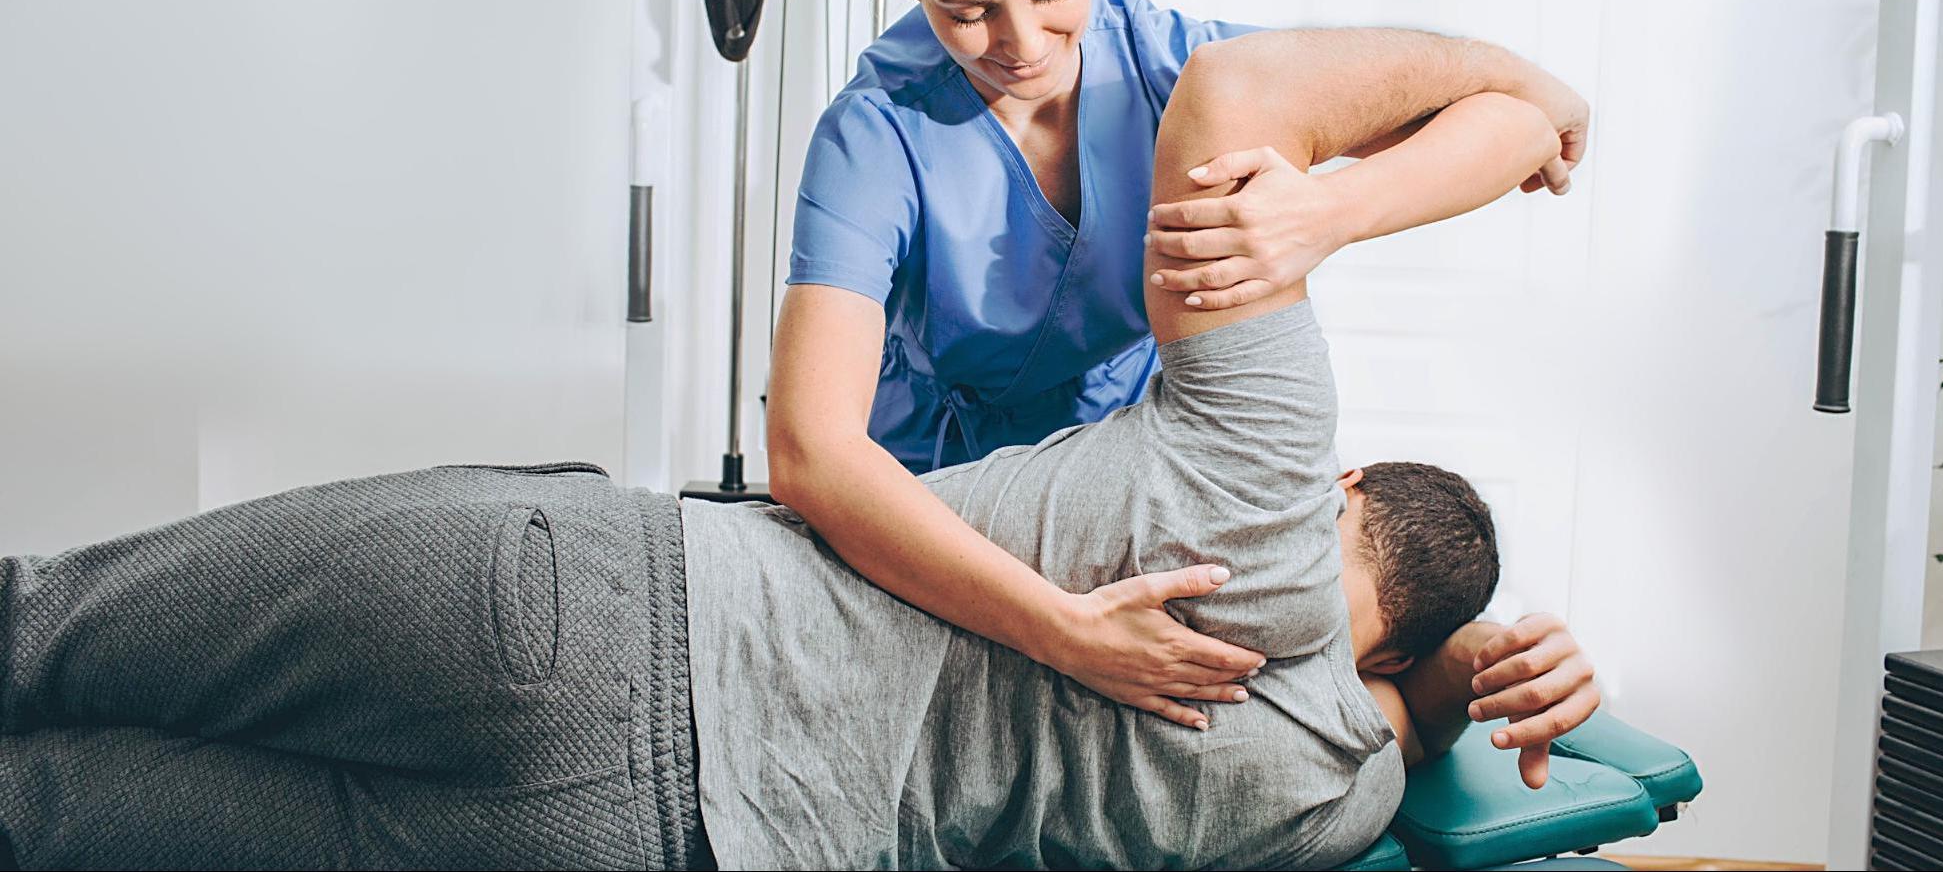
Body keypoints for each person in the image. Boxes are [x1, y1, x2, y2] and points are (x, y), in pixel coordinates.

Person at [0, 90, 1561, 870]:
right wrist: (1466, 665)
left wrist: (1505, 109)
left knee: (42, 629)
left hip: (609, 613)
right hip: (649, 848)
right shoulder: (1331, 788)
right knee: (49, 817)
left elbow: (1239, 90)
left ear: (1340, 476)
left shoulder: (1257, 458)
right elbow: (1409, 726)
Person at [766, 0, 1599, 757]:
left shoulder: (1172, 66)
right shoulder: (873, 133)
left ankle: (1494, 667)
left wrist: (1327, 215)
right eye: (967, 11)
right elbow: (810, 453)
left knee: (1295, 690)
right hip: (945, 525)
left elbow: (1507, 125)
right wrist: (1059, 631)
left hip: (1140, 496)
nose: (1021, 41)